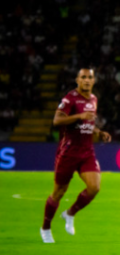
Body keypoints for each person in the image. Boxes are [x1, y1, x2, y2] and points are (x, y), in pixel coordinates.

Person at [40, 68, 111, 243]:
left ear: (94, 81)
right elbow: (57, 121)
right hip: (69, 152)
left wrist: (98, 131)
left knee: (94, 188)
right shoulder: (69, 99)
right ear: (77, 80)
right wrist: (79, 115)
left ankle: (70, 214)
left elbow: (87, 122)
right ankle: (46, 228)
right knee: (58, 192)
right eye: (83, 77)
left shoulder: (93, 99)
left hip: (87, 151)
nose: (87, 80)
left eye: (90, 77)